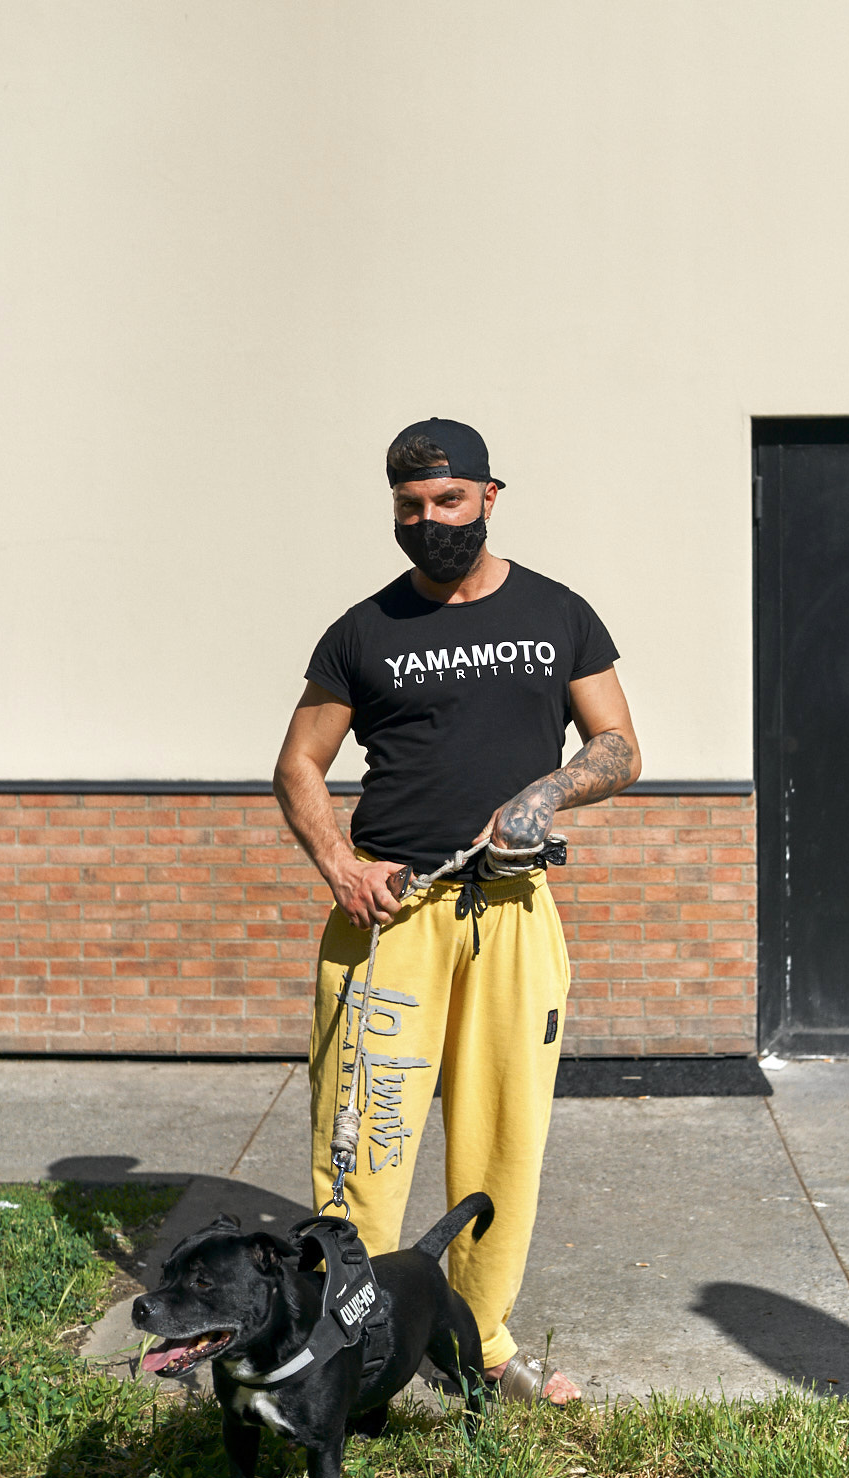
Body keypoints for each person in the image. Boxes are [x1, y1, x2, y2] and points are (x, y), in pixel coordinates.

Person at [273, 418, 640, 1403]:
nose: (428, 520)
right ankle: (349, 1345)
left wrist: (545, 794)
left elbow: (616, 747)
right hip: (387, 916)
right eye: (409, 506)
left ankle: (478, 1343)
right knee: (363, 1140)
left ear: (487, 495)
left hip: (514, 913)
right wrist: (340, 866)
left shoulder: (558, 612)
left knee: (504, 1136)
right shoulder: (363, 630)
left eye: (446, 500)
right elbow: (297, 764)